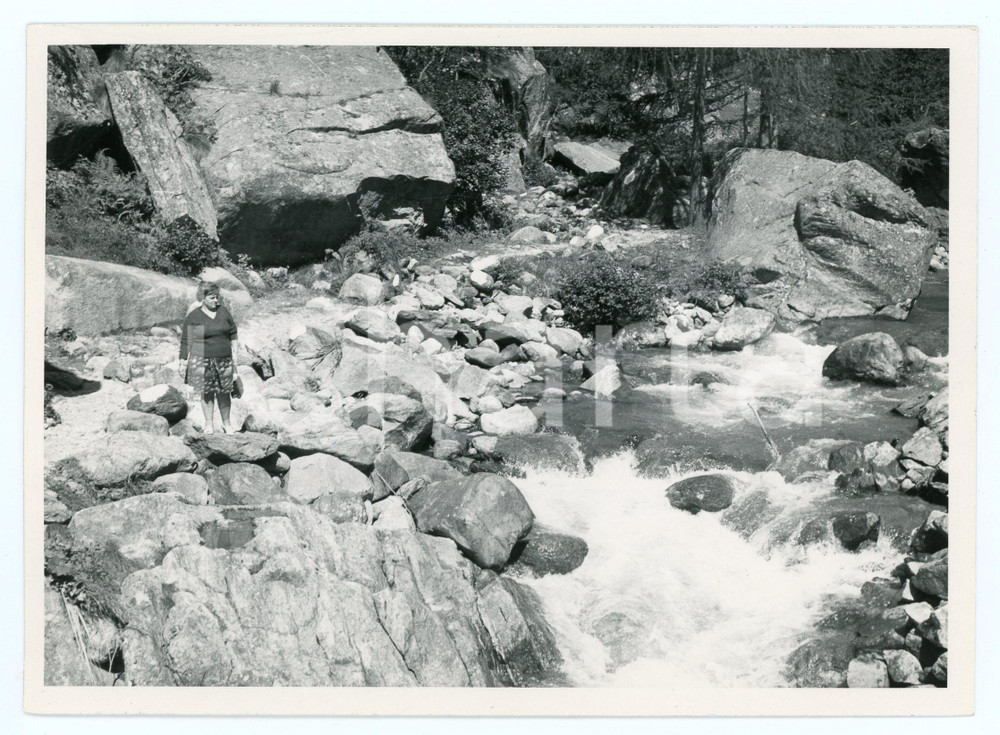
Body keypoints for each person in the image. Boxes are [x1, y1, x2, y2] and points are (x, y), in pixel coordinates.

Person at [178, 282, 239, 434]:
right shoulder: (195, 316)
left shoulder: (224, 312)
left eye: (217, 297)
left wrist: (235, 352)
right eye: (212, 297)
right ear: (203, 297)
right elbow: (187, 340)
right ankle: (209, 425)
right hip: (202, 359)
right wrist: (183, 360)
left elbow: (233, 332)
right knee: (207, 392)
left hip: (224, 358)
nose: (215, 301)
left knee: (224, 393)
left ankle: (227, 424)